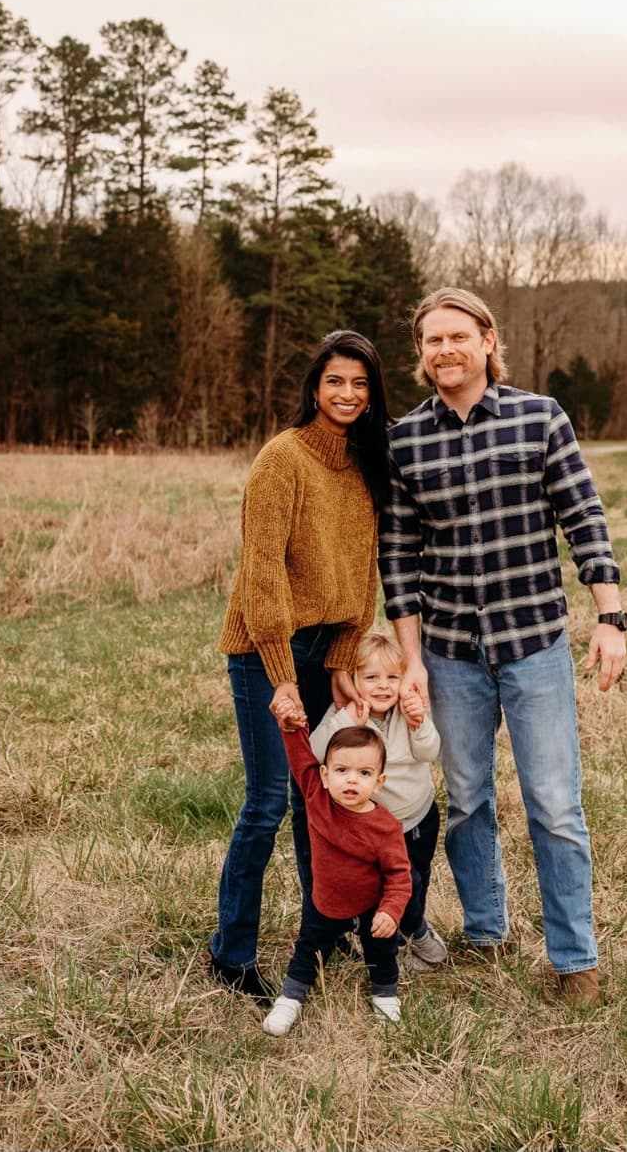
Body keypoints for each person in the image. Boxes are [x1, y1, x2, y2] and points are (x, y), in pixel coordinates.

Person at [378, 288, 627, 1005]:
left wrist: (609, 617)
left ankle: (574, 960)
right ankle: (486, 933)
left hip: (533, 646)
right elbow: (396, 557)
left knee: (553, 804)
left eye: (458, 336)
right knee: (466, 801)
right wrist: (413, 659)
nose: (445, 350)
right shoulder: (406, 440)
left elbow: (583, 517)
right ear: (420, 354)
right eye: (432, 341)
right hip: (451, 651)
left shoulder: (538, 417)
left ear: (487, 340)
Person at [209, 330, 391, 1004]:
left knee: (324, 798)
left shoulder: (365, 465)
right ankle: (230, 952)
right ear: (313, 387)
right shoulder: (280, 460)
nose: (346, 394)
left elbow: (362, 571)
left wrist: (343, 660)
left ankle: (328, 924)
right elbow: (261, 573)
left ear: (372, 394)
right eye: (334, 381)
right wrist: (282, 674)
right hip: (267, 650)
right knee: (266, 802)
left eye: (360, 384)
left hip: (325, 654)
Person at [262, 720, 412, 1036]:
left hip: (372, 905)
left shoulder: (385, 827)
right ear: (325, 776)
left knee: (381, 951)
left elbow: (399, 875)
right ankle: (290, 999)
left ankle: (385, 995)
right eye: (341, 770)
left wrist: (390, 910)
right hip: (326, 903)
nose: (351, 780)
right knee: (308, 950)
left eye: (364, 773)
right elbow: (301, 759)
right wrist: (290, 727)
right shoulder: (318, 800)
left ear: (379, 782)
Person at [310, 629, 447, 970]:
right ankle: (395, 938)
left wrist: (419, 724)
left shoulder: (407, 711)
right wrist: (344, 720)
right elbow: (316, 750)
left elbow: (430, 751)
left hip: (417, 817)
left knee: (415, 880)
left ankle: (411, 931)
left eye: (392, 677)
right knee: (383, 884)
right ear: (353, 680)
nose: (382, 686)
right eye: (371, 677)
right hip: (375, 827)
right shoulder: (348, 717)